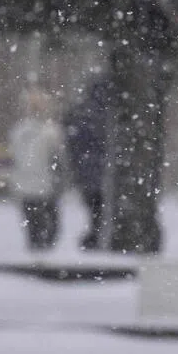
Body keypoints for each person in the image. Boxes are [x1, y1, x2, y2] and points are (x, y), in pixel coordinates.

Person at [8, 89, 65, 251]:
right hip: (44, 188)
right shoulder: (50, 132)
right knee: (48, 231)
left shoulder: (18, 131)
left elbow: (16, 160)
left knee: (34, 231)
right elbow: (58, 161)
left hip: (27, 188)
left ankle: (37, 259)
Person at [64, 77, 111, 250]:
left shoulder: (80, 112)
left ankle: (95, 236)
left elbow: (72, 142)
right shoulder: (109, 114)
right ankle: (99, 237)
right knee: (103, 210)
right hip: (104, 173)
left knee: (93, 210)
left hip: (85, 172)